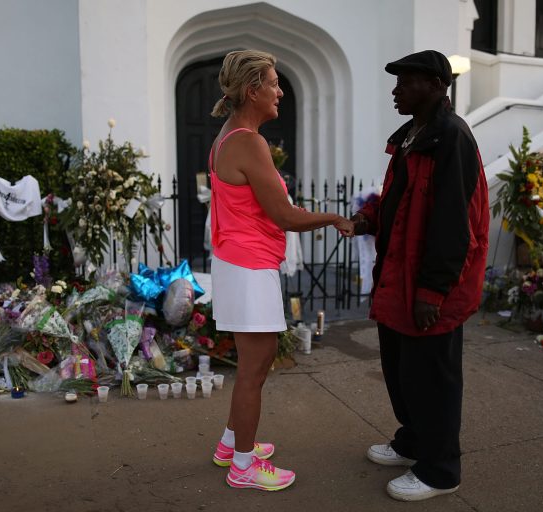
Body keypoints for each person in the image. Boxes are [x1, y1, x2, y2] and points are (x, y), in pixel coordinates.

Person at [207, 49, 353, 491]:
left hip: (238, 262)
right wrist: (333, 218)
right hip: (249, 266)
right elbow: (284, 215)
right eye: (273, 83)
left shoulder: (227, 136)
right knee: (255, 366)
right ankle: (244, 467)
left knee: (255, 361)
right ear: (252, 90)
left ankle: (231, 445)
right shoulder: (248, 142)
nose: (280, 91)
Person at [348, 50, 489, 501]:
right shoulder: (411, 135)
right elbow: (398, 198)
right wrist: (368, 217)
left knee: (434, 379)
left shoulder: (452, 137)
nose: (395, 91)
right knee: (402, 371)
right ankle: (412, 442)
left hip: (431, 286)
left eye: (404, 82)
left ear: (434, 85)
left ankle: (441, 470)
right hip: (398, 277)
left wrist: (433, 289)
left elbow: (455, 222)